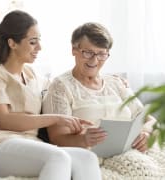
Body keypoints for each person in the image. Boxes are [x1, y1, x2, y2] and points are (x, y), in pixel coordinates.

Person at [0, 11, 103, 180]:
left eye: (39, 41)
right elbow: (3, 121)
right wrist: (56, 118)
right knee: (58, 157)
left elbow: (65, 84)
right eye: (33, 42)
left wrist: (101, 78)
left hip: (31, 144)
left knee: (86, 158)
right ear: (12, 43)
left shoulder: (35, 77)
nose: (39, 48)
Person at [42, 22, 165, 179]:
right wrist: (82, 139)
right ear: (74, 50)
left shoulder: (116, 83)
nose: (94, 60)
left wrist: (146, 134)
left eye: (101, 54)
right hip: (94, 157)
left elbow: (150, 119)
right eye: (88, 52)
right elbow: (57, 137)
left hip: (133, 151)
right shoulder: (60, 87)